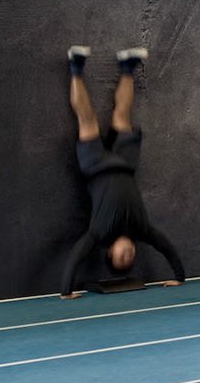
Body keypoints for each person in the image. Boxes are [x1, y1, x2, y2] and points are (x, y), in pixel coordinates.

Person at [61, 45, 185, 297]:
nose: (128, 255)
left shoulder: (98, 233)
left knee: (86, 118)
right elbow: (168, 248)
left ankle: (76, 66)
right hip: (126, 165)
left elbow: (75, 257)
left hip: (95, 166)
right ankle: (127, 67)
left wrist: (66, 291)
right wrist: (179, 278)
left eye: (121, 258)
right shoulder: (143, 230)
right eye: (130, 258)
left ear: (110, 252)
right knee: (122, 115)